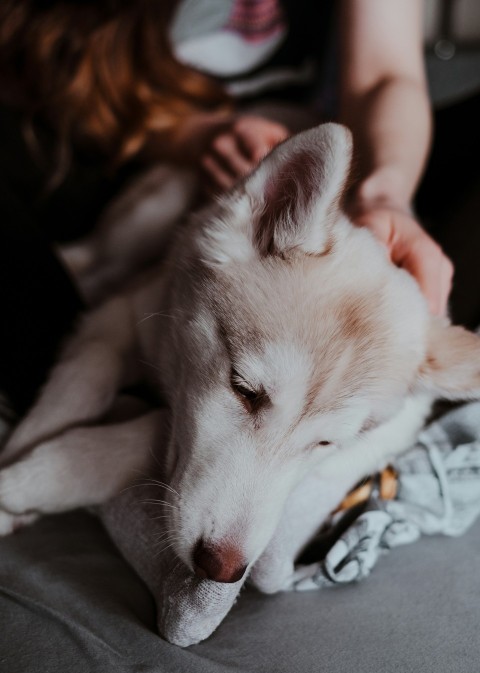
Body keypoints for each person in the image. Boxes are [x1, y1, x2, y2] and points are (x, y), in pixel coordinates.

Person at [0, 0, 455, 418]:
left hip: (282, 165)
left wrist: (385, 196)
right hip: (102, 149)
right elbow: (40, 71)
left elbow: (385, 75)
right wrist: (195, 138)